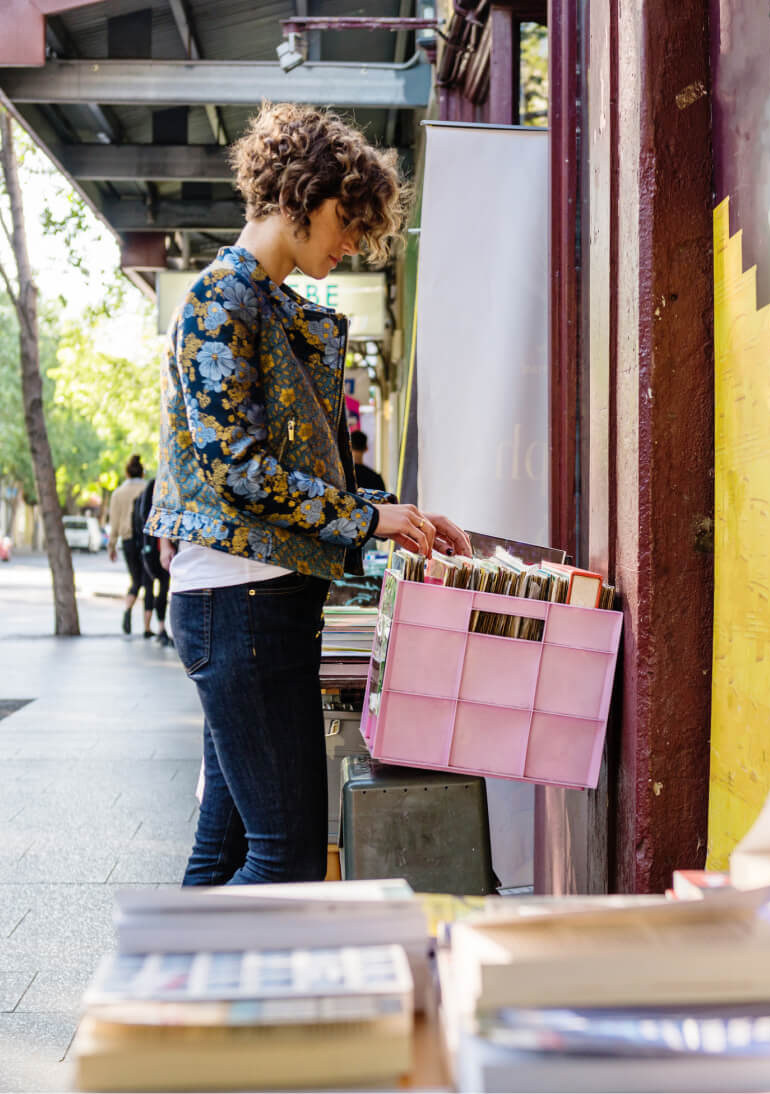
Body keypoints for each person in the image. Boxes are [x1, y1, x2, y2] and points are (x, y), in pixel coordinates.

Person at [145, 102, 471, 887]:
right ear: (304, 194)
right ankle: (163, 996)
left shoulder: (262, 303)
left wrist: (400, 517)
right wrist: (369, 518)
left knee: (227, 850)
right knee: (284, 853)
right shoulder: (221, 303)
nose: (354, 241)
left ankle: (178, 1000)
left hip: (251, 601)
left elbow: (304, 465)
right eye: (348, 220)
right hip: (240, 603)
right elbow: (243, 472)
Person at [107, 454, 152, 636]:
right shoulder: (148, 488)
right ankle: (148, 627)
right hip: (147, 540)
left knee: (135, 580)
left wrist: (111, 546)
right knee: (148, 581)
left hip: (127, 541)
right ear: (142, 473)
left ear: (126, 473)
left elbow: (114, 522)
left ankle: (127, 610)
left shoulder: (118, 493)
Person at [132, 476, 173, 646]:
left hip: (150, 545)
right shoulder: (159, 485)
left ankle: (153, 627)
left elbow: (140, 517)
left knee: (153, 586)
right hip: (155, 545)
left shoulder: (155, 485)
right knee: (161, 585)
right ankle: (158, 627)